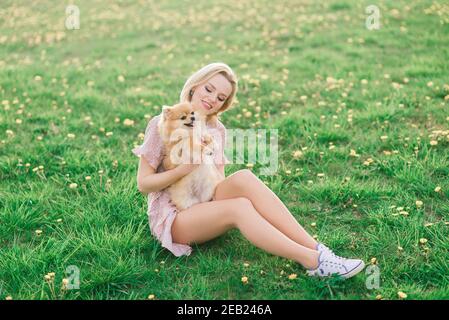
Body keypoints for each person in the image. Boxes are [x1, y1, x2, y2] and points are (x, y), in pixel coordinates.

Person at [133, 62, 365, 279]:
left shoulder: (216, 129)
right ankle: (313, 262)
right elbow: (143, 184)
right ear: (194, 86)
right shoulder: (163, 122)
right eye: (209, 89)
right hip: (175, 217)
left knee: (243, 177)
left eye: (220, 97)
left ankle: (317, 248)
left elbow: (218, 182)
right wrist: (184, 169)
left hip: (202, 202)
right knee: (239, 207)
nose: (212, 98)